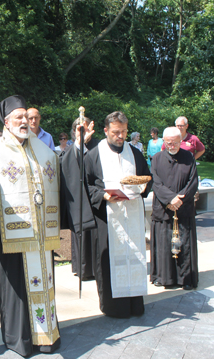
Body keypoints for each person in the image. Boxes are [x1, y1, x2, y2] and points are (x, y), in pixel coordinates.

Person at [0, 96, 66, 356]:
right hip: (12, 235)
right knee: (17, 289)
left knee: (44, 281)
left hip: (40, 234)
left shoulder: (43, 150)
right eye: (17, 118)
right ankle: (20, 339)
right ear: (6, 123)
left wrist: (79, 147)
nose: (23, 121)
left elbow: (63, 173)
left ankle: (46, 336)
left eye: (25, 117)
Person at [85, 111, 152, 318]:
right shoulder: (95, 154)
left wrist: (142, 188)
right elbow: (86, 184)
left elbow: (146, 178)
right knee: (109, 260)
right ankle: (113, 307)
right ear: (106, 131)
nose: (121, 136)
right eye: (116, 132)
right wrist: (104, 196)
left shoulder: (135, 153)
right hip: (108, 216)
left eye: (123, 131)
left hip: (132, 214)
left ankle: (134, 304)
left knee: (134, 256)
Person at [150, 127, 198, 290]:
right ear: (164, 141)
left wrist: (179, 199)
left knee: (184, 245)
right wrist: (170, 198)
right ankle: (164, 278)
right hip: (164, 208)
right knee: (164, 245)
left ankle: (186, 279)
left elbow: (193, 182)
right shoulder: (156, 158)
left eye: (176, 142)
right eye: (169, 143)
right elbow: (156, 183)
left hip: (183, 208)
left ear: (181, 141)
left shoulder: (189, 157)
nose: (172, 146)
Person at [64, 117, 99, 281]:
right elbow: (66, 165)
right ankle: (83, 267)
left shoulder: (100, 146)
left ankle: (97, 267)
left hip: (96, 195)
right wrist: (80, 143)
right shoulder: (72, 147)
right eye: (79, 128)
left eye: (85, 127)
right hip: (79, 195)